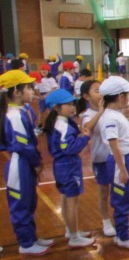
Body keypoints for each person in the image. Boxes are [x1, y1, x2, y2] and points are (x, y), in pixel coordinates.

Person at [0, 70, 54, 256]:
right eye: (29, 88)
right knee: (21, 204)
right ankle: (26, 243)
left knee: (29, 202)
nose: (33, 91)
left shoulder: (22, 111)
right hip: (20, 163)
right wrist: (36, 162)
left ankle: (31, 237)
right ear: (16, 92)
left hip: (26, 162)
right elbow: (23, 145)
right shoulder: (14, 116)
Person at [78, 79, 129, 238]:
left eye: (101, 90)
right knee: (106, 192)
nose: (100, 93)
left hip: (118, 158)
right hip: (103, 158)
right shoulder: (91, 114)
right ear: (86, 96)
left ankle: (123, 221)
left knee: (123, 192)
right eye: (96, 91)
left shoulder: (114, 112)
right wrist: (100, 111)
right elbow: (87, 128)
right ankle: (107, 222)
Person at [44, 89, 95, 248]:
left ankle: (71, 231)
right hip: (68, 166)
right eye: (68, 105)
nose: (73, 107)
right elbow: (69, 148)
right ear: (56, 108)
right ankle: (74, 237)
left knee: (66, 198)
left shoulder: (59, 123)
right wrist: (85, 137)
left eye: (73, 104)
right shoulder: (62, 125)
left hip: (62, 165)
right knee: (72, 201)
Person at [99, 76, 129, 250]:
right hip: (121, 161)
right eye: (127, 95)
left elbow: (120, 138)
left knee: (128, 196)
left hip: (127, 159)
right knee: (121, 199)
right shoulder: (110, 118)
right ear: (120, 96)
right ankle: (122, 237)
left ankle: (123, 232)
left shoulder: (116, 115)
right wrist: (123, 170)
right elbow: (114, 145)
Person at [36, 63, 58, 129]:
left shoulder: (51, 79)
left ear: (48, 71)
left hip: (50, 96)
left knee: (52, 111)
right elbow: (37, 88)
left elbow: (54, 88)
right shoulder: (39, 79)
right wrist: (39, 95)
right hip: (42, 96)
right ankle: (40, 124)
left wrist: (46, 95)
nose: (43, 72)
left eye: (45, 71)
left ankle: (52, 124)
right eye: (42, 71)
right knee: (41, 111)